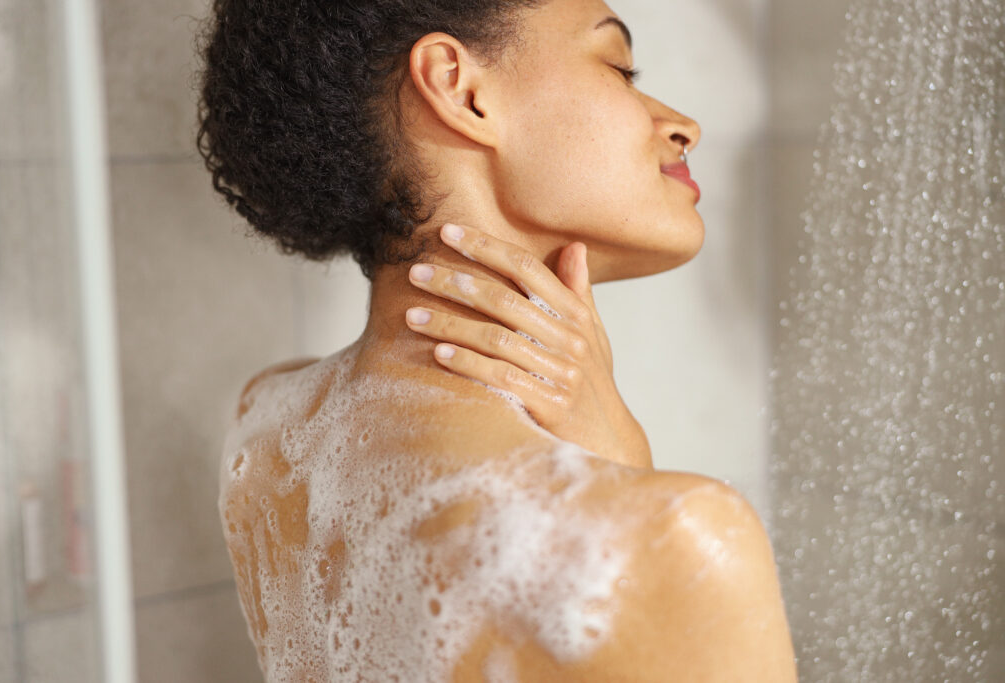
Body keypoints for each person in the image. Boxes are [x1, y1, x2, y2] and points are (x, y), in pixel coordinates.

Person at [197, 0, 798, 680]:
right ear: (461, 89)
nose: (681, 125)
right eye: (619, 67)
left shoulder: (269, 431)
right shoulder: (685, 537)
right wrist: (627, 470)